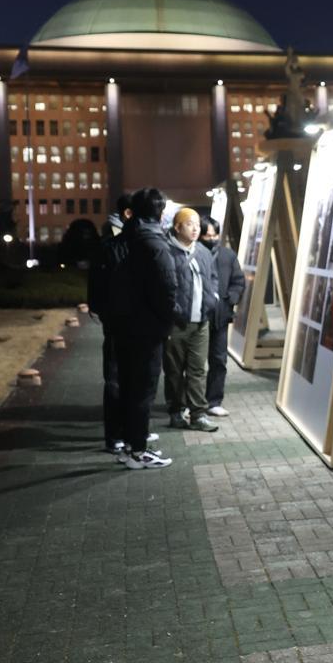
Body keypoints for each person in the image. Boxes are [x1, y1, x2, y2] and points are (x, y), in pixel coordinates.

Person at [106, 187, 177, 470]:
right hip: (146, 330)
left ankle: (128, 446)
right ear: (160, 212)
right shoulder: (155, 244)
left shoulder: (128, 239)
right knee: (143, 391)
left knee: (129, 388)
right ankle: (139, 451)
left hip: (125, 326)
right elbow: (167, 290)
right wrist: (167, 323)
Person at [87, 193, 147, 454]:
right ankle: (115, 436)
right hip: (118, 323)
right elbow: (99, 285)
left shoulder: (134, 242)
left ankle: (133, 431)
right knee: (115, 380)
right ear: (129, 215)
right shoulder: (112, 245)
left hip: (130, 322)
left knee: (134, 379)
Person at [163, 207, 220, 432]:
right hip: (176, 323)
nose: (196, 228)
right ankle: (175, 411)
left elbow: (213, 278)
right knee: (174, 371)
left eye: (197, 224)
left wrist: (212, 299)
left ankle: (198, 414)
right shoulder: (166, 252)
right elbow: (163, 286)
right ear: (177, 227)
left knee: (198, 370)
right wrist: (173, 310)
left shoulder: (203, 252)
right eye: (189, 224)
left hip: (201, 322)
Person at [200, 215, 245, 417]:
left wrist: (230, 299)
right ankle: (188, 403)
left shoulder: (227, 255)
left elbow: (238, 280)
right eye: (207, 235)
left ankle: (214, 401)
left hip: (220, 315)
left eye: (214, 234)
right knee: (193, 364)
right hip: (197, 317)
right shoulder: (194, 254)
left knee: (219, 360)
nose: (211, 238)